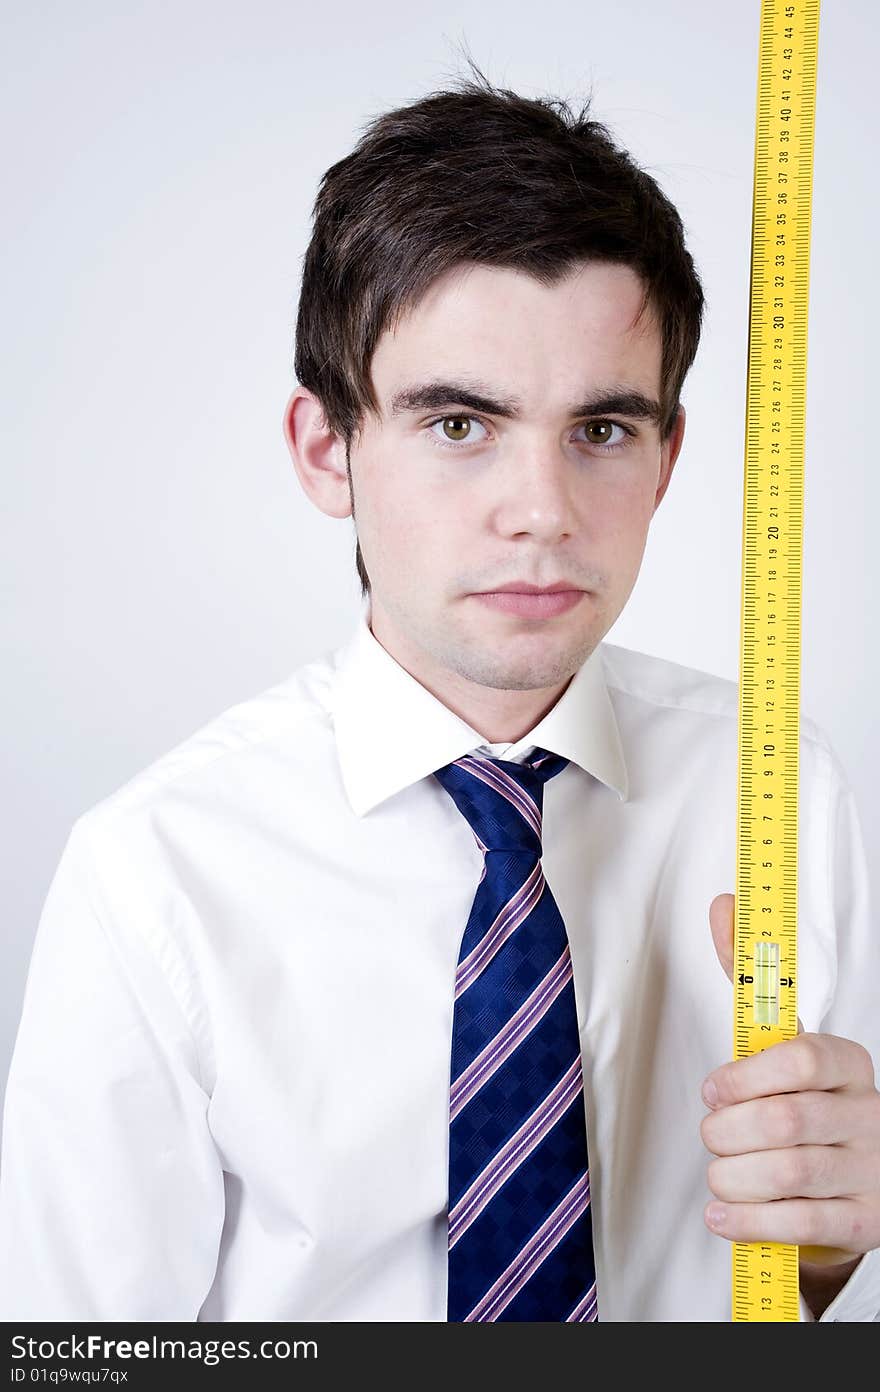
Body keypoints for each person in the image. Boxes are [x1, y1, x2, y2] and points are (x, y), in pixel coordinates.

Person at [1, 63, 878, 1325]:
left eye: (603, 429)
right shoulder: (156, 874)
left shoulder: (774, 790)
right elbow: (70, 1353)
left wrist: (821, 1258)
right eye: (459, 424)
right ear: (326, 450)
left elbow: (813, 1290)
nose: (542, 511)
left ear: (670, 456)